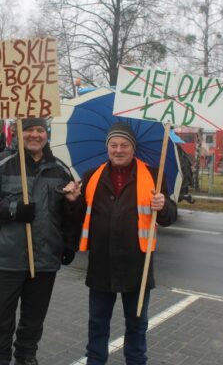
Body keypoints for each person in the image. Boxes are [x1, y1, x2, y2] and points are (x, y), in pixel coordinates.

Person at [63, 122, 178, 365]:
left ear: (132, 148)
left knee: (137, 325)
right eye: (113, 145)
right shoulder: (92, 175)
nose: (118, 150)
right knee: (97, 323)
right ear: (107, 148)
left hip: (137, 264)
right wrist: (73, 201)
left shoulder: (154, 176)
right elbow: (82, 215)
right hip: (101, 264)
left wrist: (164, 206)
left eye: (124, 145)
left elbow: (169, 217)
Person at [0, 117, 81, 365]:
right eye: (29, 130)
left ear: (46, 134)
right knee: (0, 321)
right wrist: (13, 210)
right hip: (6, 260)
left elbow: (70, 215)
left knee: (33, 322)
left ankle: (26, 358)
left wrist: (69, 239)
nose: (35, 135)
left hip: (44, 262)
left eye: (40, 130)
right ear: (19, 133)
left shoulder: (60, 170)